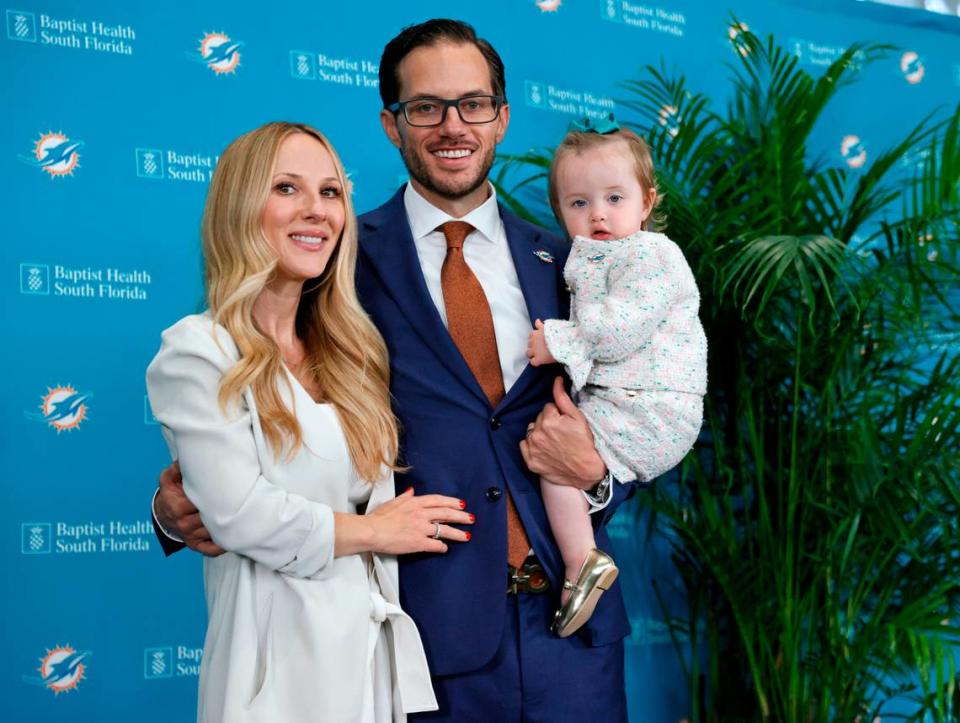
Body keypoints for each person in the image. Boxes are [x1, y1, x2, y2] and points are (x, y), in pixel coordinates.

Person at [154, 20, 637, 722]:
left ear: (501, 118)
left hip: (576, 629)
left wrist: (598, 476)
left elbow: (649, 403)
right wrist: (173, 510)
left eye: (473, 104)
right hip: (425, 639)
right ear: (391, 123)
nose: (452, 125)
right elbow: (255, 382)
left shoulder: (575, 260)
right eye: (425, 107)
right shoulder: (335, 256)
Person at [146, 121, 471, 722]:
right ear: (241, 207)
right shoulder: (198, 351)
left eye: (329, 193)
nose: (316, 211)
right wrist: (376, 531)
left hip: (368, 662)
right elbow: (242, 516)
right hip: (271, 668)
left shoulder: (352, 353)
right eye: (288, 188)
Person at [526, 119, 707, 638]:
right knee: (552, 455)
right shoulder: (597, 257)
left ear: (646, 203)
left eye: (613, 198)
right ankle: (581, 562)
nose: (597, 214)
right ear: (560, 210)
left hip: (651, 407)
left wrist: (554, 341)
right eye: (578, 203)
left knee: (556, 462)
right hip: (634, 400)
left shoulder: (652, 254)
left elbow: (618, 330)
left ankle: (581, 563)